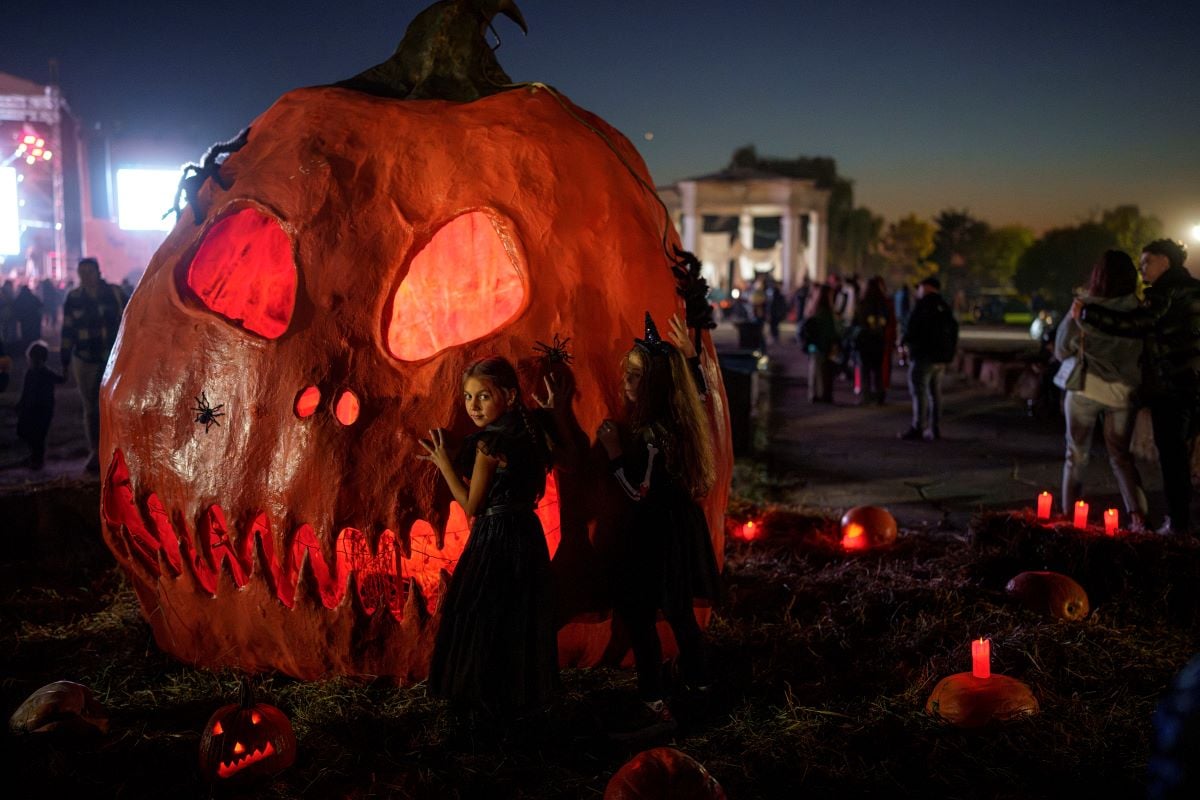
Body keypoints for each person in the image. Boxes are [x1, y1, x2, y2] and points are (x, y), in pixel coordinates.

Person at [596, 313, 720, 735]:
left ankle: (654, 704)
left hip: (655, 534)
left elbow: (638, 492)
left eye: (635, 377)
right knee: (680, 613)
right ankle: (702, 689)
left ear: (655, 385)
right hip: (680, 528)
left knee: (639, 614)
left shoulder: (650, 433)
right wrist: (691, 361)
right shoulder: (683, 420)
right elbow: (701, 399)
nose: (626, 383)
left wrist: (613, 451)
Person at [419, 356, 561, 718]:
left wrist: (443, 465)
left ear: (509, 395)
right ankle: (520, 700)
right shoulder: (530, 429)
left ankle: (483, 702)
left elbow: (472, 505)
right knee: (518, 616)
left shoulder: (489, 445)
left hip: (495, 537)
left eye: (483, 396)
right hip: (528, 535)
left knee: (483, 615)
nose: (474, 406)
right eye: (468, 398)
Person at [1076, 239, 1200, 536]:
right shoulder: (1195, 287)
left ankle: (1179, 525)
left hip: (1174, 387)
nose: (1141, 268)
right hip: (1194, 383)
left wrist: (1088, 313)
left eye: (1147, 262)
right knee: (1185, 454)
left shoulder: (1165, 293)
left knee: (1173, 459)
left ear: (1165, 262)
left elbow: (1136, 324)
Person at [1055, 251, 1148, 530]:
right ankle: (1139, 518)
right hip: (1124, 392)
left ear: (1098, 276)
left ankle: (1071, 518)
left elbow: (1061, 349)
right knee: (1121, 456)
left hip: (1086, 388)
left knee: (1076, 455)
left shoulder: (1083, 308)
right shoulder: (1140, 312)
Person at [61, 258, 127, 472]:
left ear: (98, 272)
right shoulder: (74, 298)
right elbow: (68, 330)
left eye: (90, 271)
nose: (86, 276)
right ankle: (95, 451)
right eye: (83, 272)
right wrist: (64, 359)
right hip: (85, 359)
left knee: (114, 406)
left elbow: (131, 319)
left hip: (114, 359)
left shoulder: (115, 294)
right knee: (91, 407)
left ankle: (117, 451)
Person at [899, 276, 958, 441]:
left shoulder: (923, 305)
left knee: (919, 392)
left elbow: (912, 328)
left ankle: (918, 427)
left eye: (920, 287)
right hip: (940, 358)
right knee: (935, 393)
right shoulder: (944, 306)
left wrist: (905, 343)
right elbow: (954, 330)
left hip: (923, 356)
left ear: (926, 287)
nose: (918, 290)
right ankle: (934, 428)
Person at [16, 341, 65, 470]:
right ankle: (35, 457)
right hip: (38, 409)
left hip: (41, 410)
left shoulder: (40, 373)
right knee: (33, 434)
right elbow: (26, 391)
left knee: (38, 436)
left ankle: (37, 459)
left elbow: (25, 391)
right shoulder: (37, 373)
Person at [853, 276, 896, 405]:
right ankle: (880, 395)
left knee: (864, 370)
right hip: (879, 340)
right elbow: (888, 321)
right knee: (877, 370)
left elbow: (857, 322)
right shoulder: (884, 303)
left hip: (865, 340)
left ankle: (865, 397)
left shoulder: (863, 303)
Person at [799, 285, 839, 403]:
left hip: (814, 344)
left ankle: (813, 394)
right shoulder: (826, 312)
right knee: (823, 370)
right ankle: (821, 394)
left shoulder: (814, 309)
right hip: (823, 344)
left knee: (814, 369)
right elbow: (830, 331)